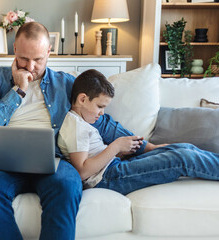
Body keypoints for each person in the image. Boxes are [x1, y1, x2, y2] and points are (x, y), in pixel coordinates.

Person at [0, 22, 82, 240]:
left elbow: (99, 118)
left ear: (49, 52)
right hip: (1, 163)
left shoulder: (66, 84)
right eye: (25, 59)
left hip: (52, 160)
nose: (30, 67)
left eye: (38, 60)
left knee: (67, 184)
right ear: (15, 49)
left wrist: (141, 144)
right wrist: (17, 91)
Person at [58, 69, 219, 194]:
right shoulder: (75, 127)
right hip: (109, 178)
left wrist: (120, 152)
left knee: (182, 148)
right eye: (100, 106)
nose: (102, 113)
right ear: (82, 99)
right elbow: (82, 171)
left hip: (114, 167)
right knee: (182, 158)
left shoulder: (81, 122)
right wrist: (115, 147)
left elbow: (92, 156)